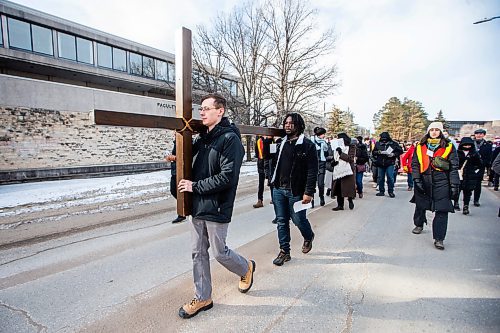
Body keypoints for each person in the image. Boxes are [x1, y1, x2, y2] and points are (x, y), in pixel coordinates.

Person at [177, 93, 255, 319]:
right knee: (197, 253)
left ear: (220, 111)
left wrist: (195, 186)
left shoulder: (230, 139)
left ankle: (246, 267)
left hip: (217, 205)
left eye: (206, 108)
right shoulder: (204, 138)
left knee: (220, 253)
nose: (201, 112)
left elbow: (227, 177)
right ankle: (203, 297)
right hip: (198, 205)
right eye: (200, 109)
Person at [270, 113, 317, 266]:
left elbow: (312, 170)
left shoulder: (307, 145)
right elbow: (268, 158)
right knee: (282, 221)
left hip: (296, 191)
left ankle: (308, 236)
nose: (288, 125)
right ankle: (285, 251)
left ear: (298, 125)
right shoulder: (280, 143)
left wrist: (309, 192)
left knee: (298, 219)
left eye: (291, 123)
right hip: (278, 189)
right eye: (286, 123)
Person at [410, 122, 460, 250]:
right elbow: (415, 164)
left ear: (441, 132)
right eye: (431, 130)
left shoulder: (448, 146)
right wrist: (416, 179)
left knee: (442, 209)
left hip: (442, 180)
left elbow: (454, 167)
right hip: (424, 178)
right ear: (428, 131)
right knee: (421, 204)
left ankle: (439, 238)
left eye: (436, 130)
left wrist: (454, 184)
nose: (434, 132)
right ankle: (419, 224)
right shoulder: (420, 146)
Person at [456, 137, 483, 215]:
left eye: (469, 145)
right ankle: (456, 202)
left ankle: (466, 206)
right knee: (457, 190)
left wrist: (475, 171)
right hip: (459, 174)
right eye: (465, 145)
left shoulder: (474, 153)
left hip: (470, 175)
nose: (467, 147)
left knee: (468, 192)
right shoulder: (457, 153)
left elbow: (479, 164)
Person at [372, 132, 403, 197]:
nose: (384, 141)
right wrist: (378, 152)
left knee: (390, 177)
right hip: (380, 163)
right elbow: (373, 152)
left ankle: (391, 191)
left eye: (385, 139)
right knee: (380, 178)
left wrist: (393, 154)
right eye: (383, 139)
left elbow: (400, 151)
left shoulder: (394, 144)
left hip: (390, 162)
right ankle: (381, 191)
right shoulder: (378, 144)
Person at [331, 133, 356, 210]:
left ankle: (350, 199)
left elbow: (350, 159)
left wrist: (341, 153)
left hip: (347, 170)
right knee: (338, 188)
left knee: (348, 188)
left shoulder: (351, 147)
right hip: (338, 170)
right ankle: (340, 205)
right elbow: (335, 158)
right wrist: (333, 162)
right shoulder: (336, 147)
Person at [165, 139, 186, 224]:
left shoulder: (186, 140)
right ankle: (185, 209)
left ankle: (182, 213)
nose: (174, 132)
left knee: (179, 191)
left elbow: (187, 155)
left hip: (181, 172)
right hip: (175, 171)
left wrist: (175, 158)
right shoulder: (176, 142)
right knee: (174, 191)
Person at [472, 128, 492, 206]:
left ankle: (476, 200)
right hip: (470, 166)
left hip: (480, 167)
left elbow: (489, 157)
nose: (479, 135)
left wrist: (487, 167)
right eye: (477, 134)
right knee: (467, 184)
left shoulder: (487, 145)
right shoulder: (471, 143)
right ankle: (466, 200)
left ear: (484, 135)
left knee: (477, 184)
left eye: (481, 134)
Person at [253, 135, 274, 208]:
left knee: (270, 182)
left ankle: (266, 199)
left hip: (266, 163)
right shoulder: (261, 141)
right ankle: (261, 200)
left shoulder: (268, 140)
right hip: (263, 163)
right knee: (263, 183)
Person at [311, 127, 330, 206]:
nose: (324, 136)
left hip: (322, 163)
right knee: (311, 183)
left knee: (321, 183)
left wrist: (325, 145)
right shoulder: (311, 141)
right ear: (319, 134)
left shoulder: (324, 142)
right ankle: (311, 200)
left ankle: (321, 197)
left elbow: (326, 152)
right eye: (323, 134)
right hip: (312, 164)